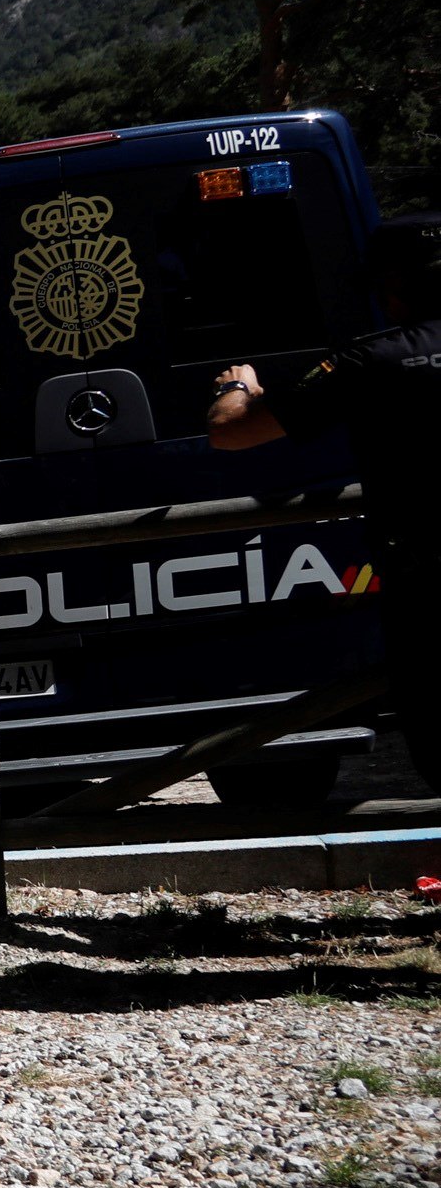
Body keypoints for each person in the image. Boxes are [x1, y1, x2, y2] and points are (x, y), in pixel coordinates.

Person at [207, 211, 441, 787]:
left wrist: (238, 385)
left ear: (389, 288)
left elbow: (229, 429)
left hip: (428, 588)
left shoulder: (372, 359)